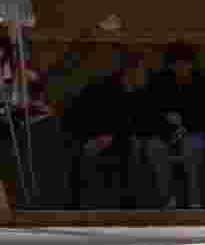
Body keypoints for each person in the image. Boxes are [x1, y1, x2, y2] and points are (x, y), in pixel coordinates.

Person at [63, 52, 149, 209]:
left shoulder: (139, 95)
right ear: (130, 71)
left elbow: (140, 124)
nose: (145, 76)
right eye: (142, 71)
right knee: (86, 152)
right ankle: (80, 204)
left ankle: (129, 205)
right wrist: (97, 136)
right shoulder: (105, 88)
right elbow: (85, 116)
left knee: (133, 146)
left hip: (120, 141)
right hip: (93, 136)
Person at [143, 42, 205, 209]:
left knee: (192, 146)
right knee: (154, 147)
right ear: (170, 65)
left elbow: (204, 114)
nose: (181, 67)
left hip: (193, 132)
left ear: (192, 64)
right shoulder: (159, 81)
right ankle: (167, 200)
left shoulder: (202, 82)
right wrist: (169, 131)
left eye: (186, 64)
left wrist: (184, 127)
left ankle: (194, 201)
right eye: (177, 64)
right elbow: (152, 112)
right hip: (165, 133)